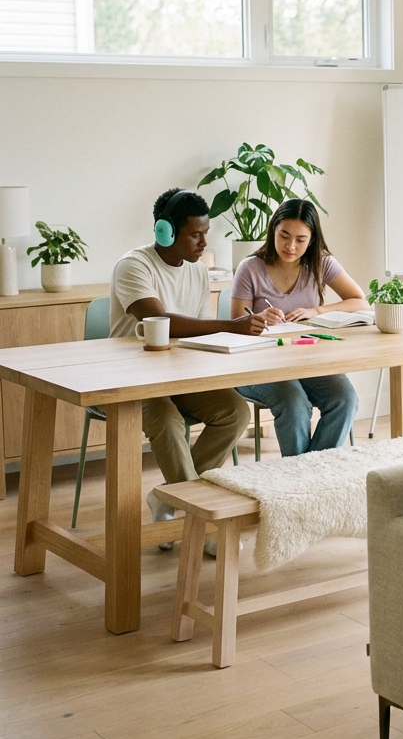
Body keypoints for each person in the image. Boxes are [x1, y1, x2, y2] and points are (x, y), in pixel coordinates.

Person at [110, 188, 266, 544]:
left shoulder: (197, 271)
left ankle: (168, 495)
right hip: (132, 378)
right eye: (195, 234)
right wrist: (231, 326)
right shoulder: (133, 266)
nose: (203, 243)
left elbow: (197, 334)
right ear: (165, 231)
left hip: (180, 374)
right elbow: (161, 321)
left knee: (235, 412)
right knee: (166, 419)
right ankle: (205, 520)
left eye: (205, 233)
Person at [230, 198, 364, 456]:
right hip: (258, 364)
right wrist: (259, 318)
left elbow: (360, 302)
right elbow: (235, 325)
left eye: (301, 240)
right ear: (273, 231)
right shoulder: (250, 268)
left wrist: (316, 311)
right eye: (284, 236)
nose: (291, 246)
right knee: (293, 403)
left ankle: (310, 476)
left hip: (307, 359)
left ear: (312, 240)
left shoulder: (321, 263)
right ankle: (302, 479)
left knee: (345, 400)